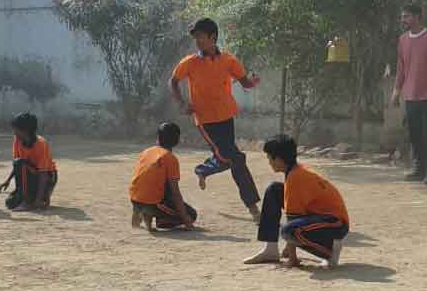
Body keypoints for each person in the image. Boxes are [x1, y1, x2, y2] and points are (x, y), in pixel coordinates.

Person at [170, 17, 261, 223]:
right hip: (205, 120)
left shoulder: (229, 60)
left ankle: (203, 169)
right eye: (196, 38)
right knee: (235, 158)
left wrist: (252, 82)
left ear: (213, 37)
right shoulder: (190, 62)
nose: (198, 41)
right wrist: (182, 103)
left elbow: (244, 81)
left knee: (229, 157)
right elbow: (174, 81)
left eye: (201, 37)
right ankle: (253, 207)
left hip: (226, 116)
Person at [243, 134, 349, 268]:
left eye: (270, 157)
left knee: (289, 231)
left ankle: (330, 251)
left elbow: (293, 220)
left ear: (279, 159)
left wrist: (292, 259)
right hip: (319, 217)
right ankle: (271, 250)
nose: (269, 162)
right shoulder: (294, 170)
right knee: (274, 190)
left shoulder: (296, 177)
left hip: (335, 223)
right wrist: (288, 248)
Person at [392, 4, 427, 186]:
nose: (403, 20)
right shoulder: (402, 40)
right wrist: (396, 91)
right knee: (414, 134)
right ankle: (418, 168)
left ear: (417, 17)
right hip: (410, 96)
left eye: (406, 16)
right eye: (402, 16)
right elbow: (401, 67)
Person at [129, 122, 197, 232]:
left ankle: (141, 213)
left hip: (134, 198)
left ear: (158, 137)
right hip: (150, 202)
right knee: (192, 214)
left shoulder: (146, 151)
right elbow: (175, 192)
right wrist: (186, 220)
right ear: (177, 140)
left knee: (162, 187)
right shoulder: (170, 158)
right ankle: (151, 214)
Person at [0, 112, 57, 211]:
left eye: (16, 129)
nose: (14, 132)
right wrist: (7, 181)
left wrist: (37, 200)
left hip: (47, 178)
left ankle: (29, 201)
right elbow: (17, 166)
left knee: (21, 163)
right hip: (29, 175)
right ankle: (37, 199)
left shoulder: (41, 144)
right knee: (10, 203)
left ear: (26, 131)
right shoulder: (17, 140)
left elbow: (44, 173)